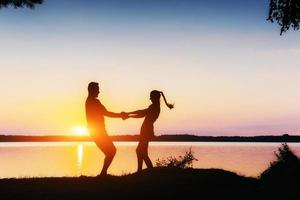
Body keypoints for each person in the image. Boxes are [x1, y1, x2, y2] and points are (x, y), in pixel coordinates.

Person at [85, 82, 128, 176]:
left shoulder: (89, 101)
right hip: (98, 132)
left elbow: (105, 112)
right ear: (92, 90)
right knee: (111, 151)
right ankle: (103, 174)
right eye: (97, 89)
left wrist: (121, 115)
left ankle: (103, 174)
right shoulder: (94, 102)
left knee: (110, 151)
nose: (99, 91)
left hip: (96, 131)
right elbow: (106, 113)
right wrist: (120, 115)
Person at [126, 90, 174, 172]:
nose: (150, 99)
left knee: (141, 151)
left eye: (151, 97)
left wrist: (129, 115)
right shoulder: (154, 106)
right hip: (146, 129)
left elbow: (142, 113)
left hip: (146, 130)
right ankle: (140, 171)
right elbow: (142, 112)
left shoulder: (154, 107)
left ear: (155, 98)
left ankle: (149, 170)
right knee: (141, 151)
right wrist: (129, 114)